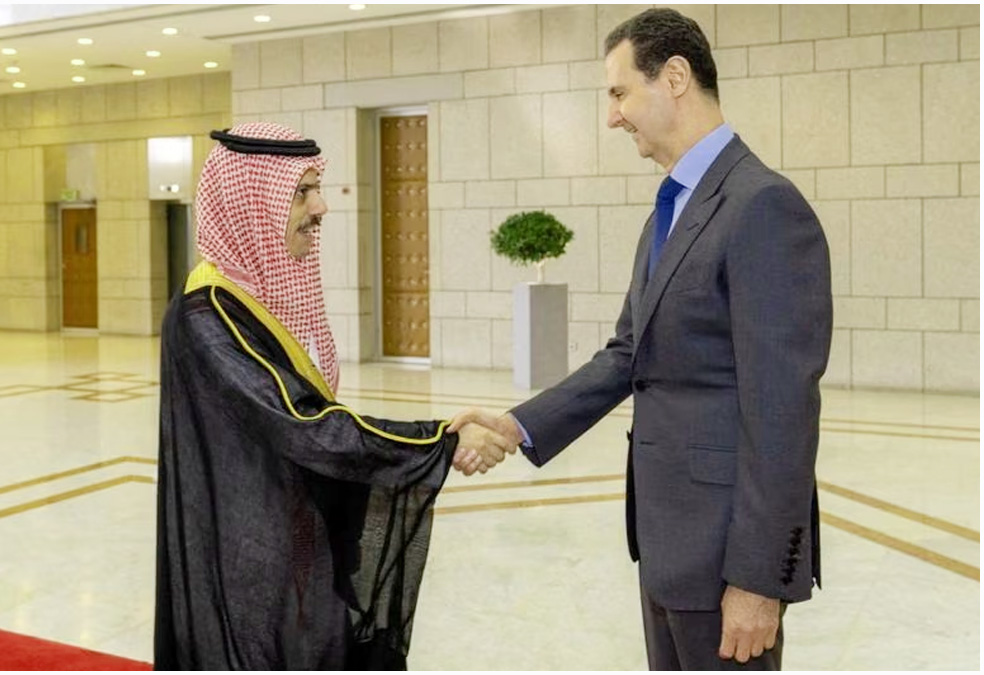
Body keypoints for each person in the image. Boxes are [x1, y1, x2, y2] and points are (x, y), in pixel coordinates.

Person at [451, 9, 832, 670]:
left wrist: (758, 579)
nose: (612, 117)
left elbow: (783, 414)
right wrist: (516, 425)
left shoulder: (762, 205)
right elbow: (629, 354)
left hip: (726, 560)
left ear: (675, 77)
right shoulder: (673, 207)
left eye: (620, 92)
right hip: (666, 544)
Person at [154, 122, 511, 670]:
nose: (321, 207)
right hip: (246, 563)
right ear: (252, 203)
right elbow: (303, 423)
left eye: (317, 189)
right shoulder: (209, 314)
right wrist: (438, 441)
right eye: (303, 192)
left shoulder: (258, 298)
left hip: (293, 540)